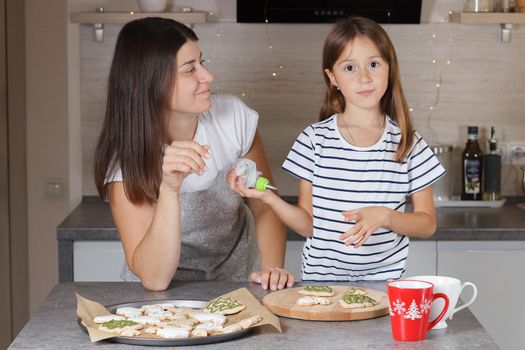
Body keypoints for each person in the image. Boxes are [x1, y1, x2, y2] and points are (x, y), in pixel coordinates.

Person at [229, 17, 445, 282]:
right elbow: (308, 225)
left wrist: (386, 216)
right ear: (333, 77)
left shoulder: (409, 143)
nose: (364, 77)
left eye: (374, 64)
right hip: (321, 287)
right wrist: (268, 199)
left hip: (384, 290)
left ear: (390, 68)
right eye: (350, 68)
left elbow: (427, 224)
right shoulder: (314, 140)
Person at [93, 17, 294, 291]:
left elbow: (266, 207)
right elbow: (155, 279)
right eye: (190, 69)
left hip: (235, 282)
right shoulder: (124, 164)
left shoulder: (233, 118)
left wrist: (271, 271)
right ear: (149, 82)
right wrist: (170, 188)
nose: (207, 76)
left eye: (202, 62)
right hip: (163, 296)